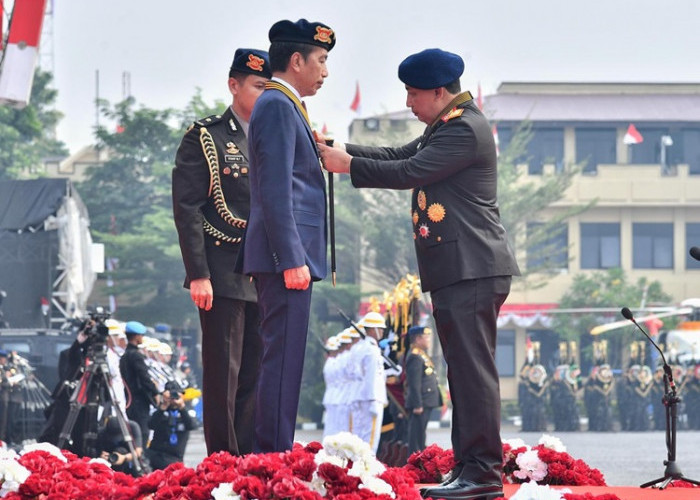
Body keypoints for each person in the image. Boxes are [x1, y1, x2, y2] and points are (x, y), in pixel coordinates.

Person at [319, 48, 519, 500]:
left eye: (412, 93)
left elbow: (410, 170)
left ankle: (484, 474)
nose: (408, 101)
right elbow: (397, 152)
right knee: (463, 374)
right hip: (457, 268)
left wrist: (346, 165)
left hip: (472, 267)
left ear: (437, 91)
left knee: (473, 374)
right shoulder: (444, 126)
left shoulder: (464, 129)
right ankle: (470, 468)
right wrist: (340, 150)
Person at [240, 18, 335, 453]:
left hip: (288, 255)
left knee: (286, 360)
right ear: (296, 61)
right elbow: (276, 190)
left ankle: (275, 450)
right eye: (320, 60)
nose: (325, 71)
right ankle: (272, 458)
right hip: (285, 258)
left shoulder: (286, 104)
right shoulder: (278, 105)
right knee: (281, 361)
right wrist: (291, 257)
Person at [173, 48, 271, 456]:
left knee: (255, 375)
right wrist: (198, 274)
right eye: (258, 87)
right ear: (234, 85)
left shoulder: (274, 135)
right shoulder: (207, 137)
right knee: (223, 377)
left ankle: (249, 460)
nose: (265, 96)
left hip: (265, 271)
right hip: (222, 271)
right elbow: (188, 207)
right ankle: (223, 462)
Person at [119, 321, 160, 442]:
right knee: (142, 432)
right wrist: (155, 392)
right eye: (141, 335)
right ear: (136, 337)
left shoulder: (125, 355)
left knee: (133, 431)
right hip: (139, 400)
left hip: (130, 398)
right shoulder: (136, 356)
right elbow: (144, 377)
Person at [404, 326, 442, 456]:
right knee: (416, 438)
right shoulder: (415, 356)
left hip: (426, 400)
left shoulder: (421, 355)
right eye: (426, 337)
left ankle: (420, 464)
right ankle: (414, 466)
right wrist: (417, 404)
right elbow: (414, 383)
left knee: (420, 435)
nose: (428, 340)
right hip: (421, 402)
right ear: (418, 338)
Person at [146, 380, 197, 469]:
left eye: (176, 395)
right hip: (155, 456)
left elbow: (192, 425)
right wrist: (163, 407)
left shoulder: (186, 412)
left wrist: (181, 407)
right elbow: (151, 425)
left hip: (175, 458)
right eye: (171, 396)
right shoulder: (160, 411)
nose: (173, 398)